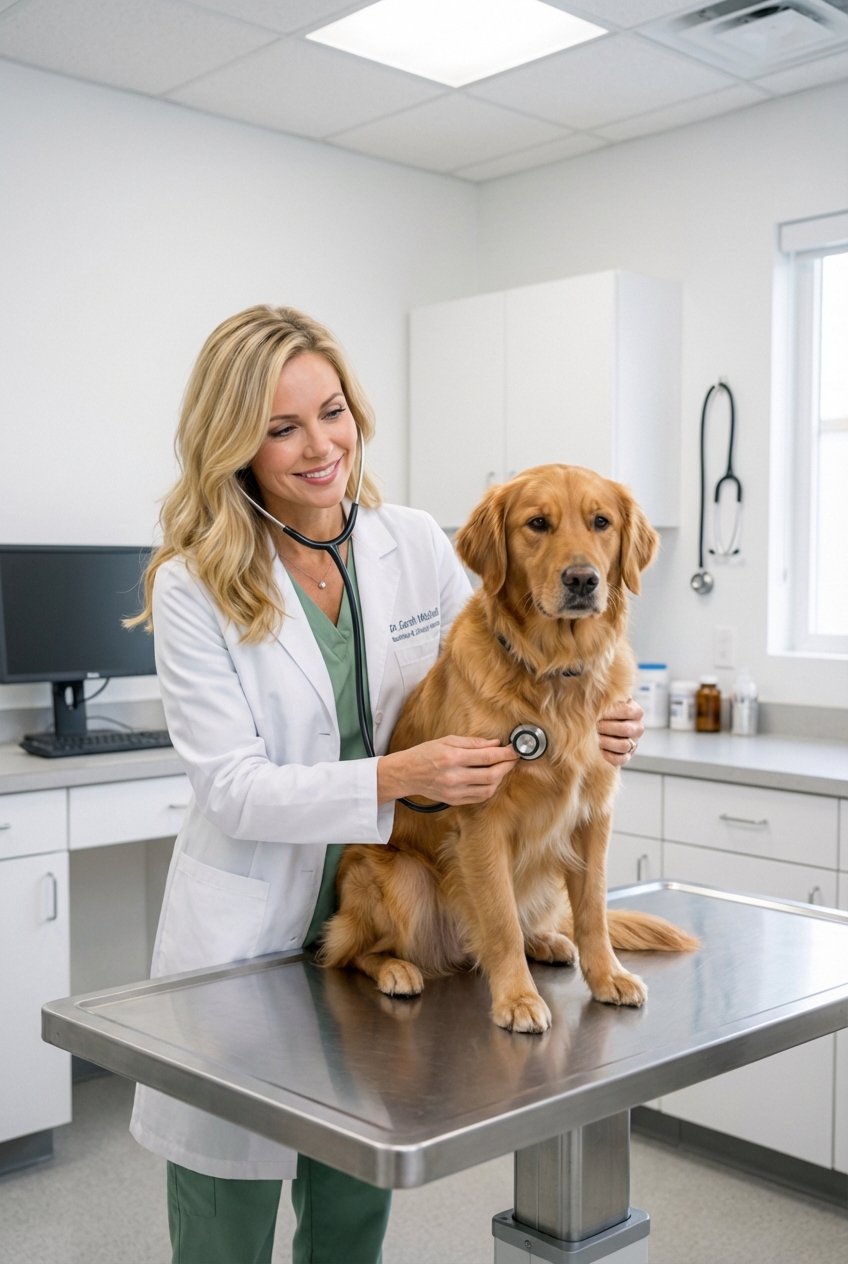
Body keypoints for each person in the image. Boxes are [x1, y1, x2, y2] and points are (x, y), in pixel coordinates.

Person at [128, 305, 644, 1264]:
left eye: (332, 411)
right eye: (281, 427)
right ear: (232, 441)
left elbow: (504, 676)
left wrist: (601, 714)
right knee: (224, 1212)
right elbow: (234, 789)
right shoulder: (195, 586)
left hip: (404, 905)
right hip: (255, 919)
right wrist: (399, 774)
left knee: (355, 1193)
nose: (320, 445)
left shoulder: (410, 543)